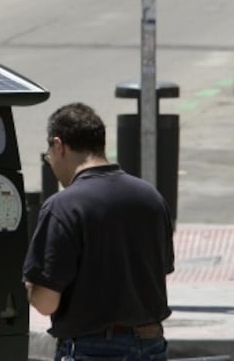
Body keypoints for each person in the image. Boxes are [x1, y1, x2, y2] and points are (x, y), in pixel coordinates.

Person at [23, 102, 175, 361]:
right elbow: (162, 271)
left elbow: (46, 301)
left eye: (50, 155)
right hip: (151, 344)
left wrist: (29, 285)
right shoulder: (150, 197)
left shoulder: (63, 207)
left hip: (90, 349)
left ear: (59, 146)